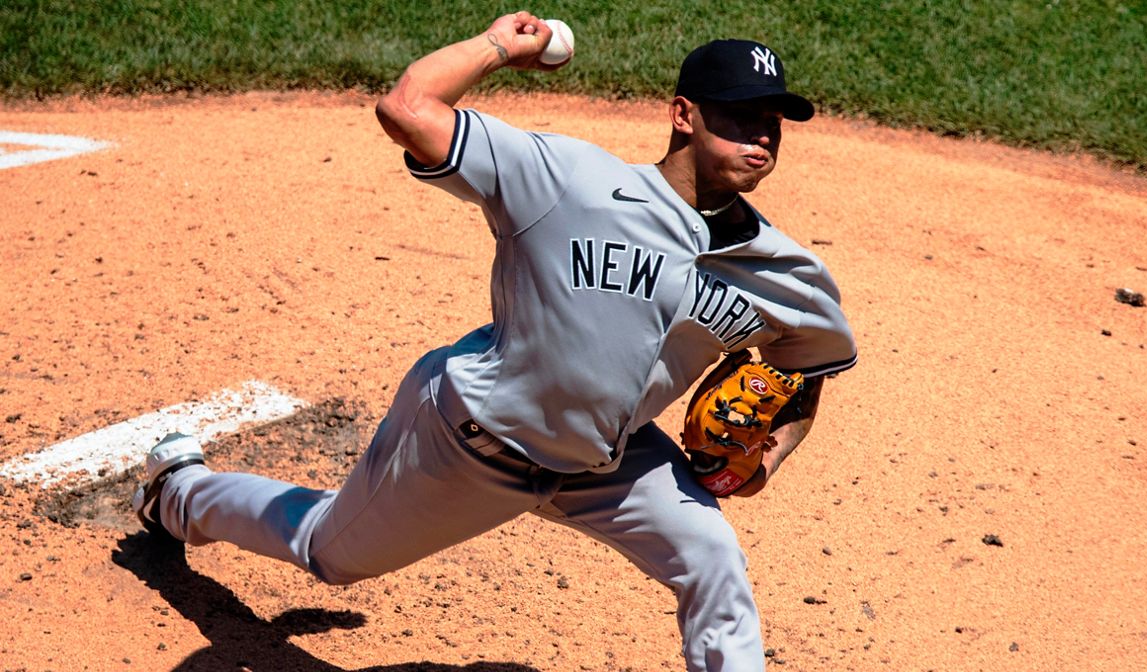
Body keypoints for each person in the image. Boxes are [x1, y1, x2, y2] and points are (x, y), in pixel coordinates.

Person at [132, 12, 856, 672]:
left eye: (773, 122)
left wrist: (764, 460)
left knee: (713, 559)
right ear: (683, 115)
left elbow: (809, 366)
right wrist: (502, 48)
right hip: (467, 444)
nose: (759, 136)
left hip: (606, 464)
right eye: (739, 117)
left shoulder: (787, 274)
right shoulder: (568, 181)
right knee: (328, 551)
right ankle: (181, 493)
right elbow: (408, 110)